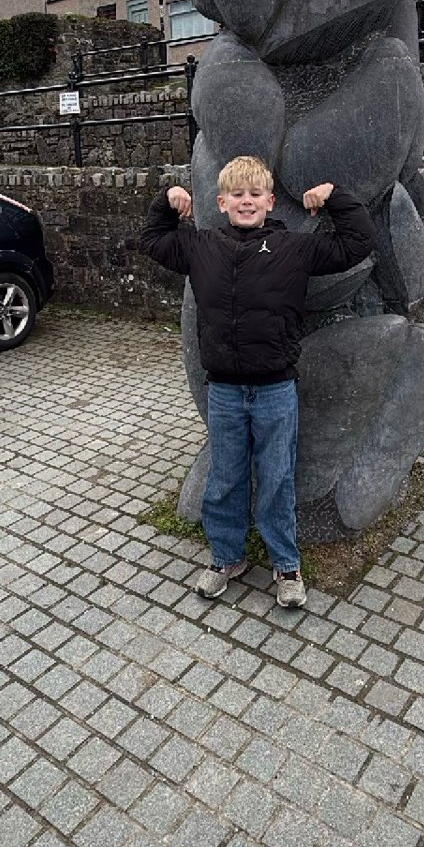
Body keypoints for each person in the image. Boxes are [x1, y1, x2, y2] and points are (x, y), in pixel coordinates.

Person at [139, 155, 377, 608]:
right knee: (225, 479)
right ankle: (227, 558)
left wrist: (334, 197)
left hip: (275, 391)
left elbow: (357, 242)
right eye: (237, 194)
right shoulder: (200, 246)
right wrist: (166, 204)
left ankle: (286, 565)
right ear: (221, 201)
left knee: (277, 479)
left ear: (270, 201)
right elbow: (152, 241)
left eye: (255, 194)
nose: (246, 202)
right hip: (224, 391)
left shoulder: (295, 248)